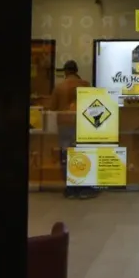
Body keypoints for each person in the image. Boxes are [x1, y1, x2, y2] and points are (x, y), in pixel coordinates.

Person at [52, 60, 95, 199]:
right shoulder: (86, 85)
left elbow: (52, 107)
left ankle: (70, 189)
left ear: (65, 71)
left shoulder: (59, 87)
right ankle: (84, 188)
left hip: (64, 125)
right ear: (76, 71)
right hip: (82, 124)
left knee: (66, 154)